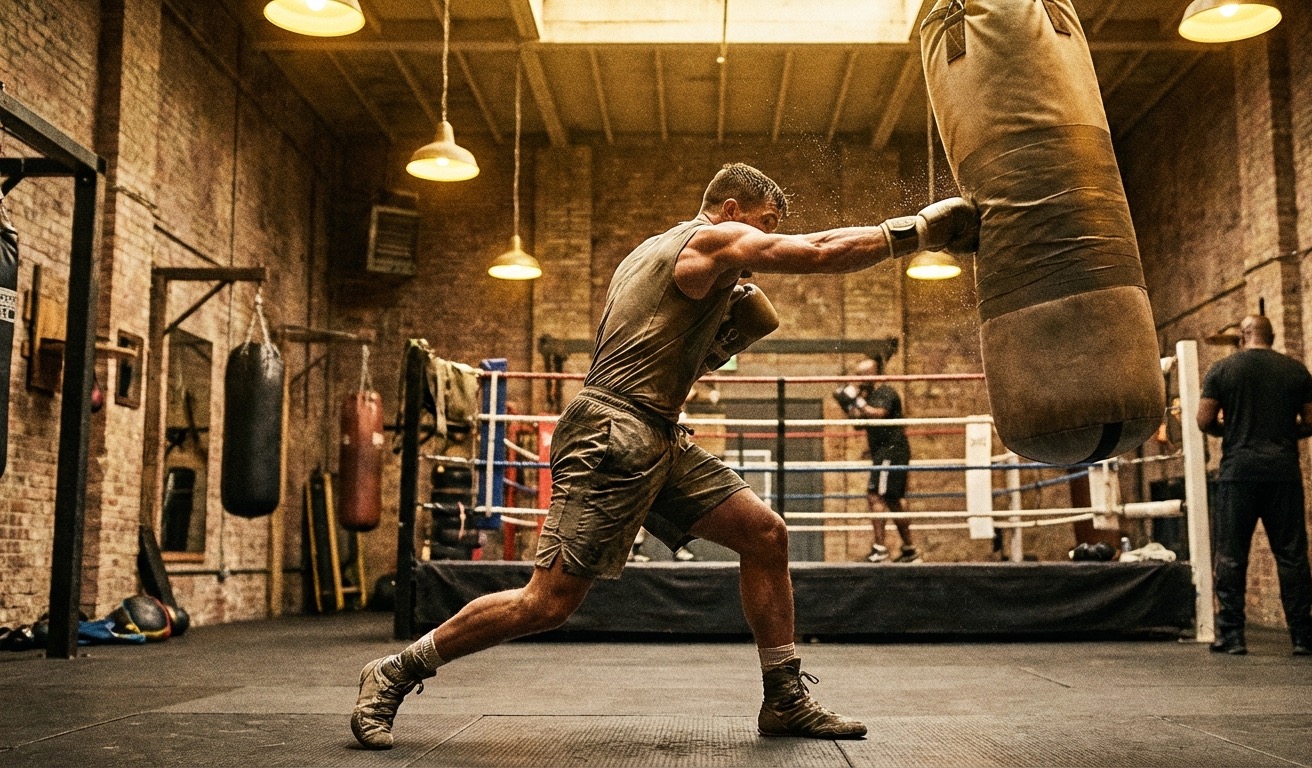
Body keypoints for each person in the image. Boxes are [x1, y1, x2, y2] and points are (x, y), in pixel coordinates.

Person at [351, 163, 979, 749]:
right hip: (611, 434)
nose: (757, 248)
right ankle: (395, 670)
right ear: (729, 210)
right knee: (548, 603)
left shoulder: (651, 258)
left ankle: (784, 698)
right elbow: (817, 252)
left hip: (657, 433)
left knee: (764, 534)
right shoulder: (707, 241)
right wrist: (918, 231)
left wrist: (720, 330)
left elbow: (666, 347)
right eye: (759, 228)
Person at [1196, 315, 1312, 656]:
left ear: (1243, 335)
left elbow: (1204, 420)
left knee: (1232, 555)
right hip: (1283, 472)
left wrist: (1234, 431)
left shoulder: (1222, 370)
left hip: (1239, 471)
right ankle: (1302, 637)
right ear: (1272, 334)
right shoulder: (1296, 371)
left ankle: (1233, 636)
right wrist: (1280, 433)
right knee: (1292, 555)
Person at [834, 357, 919, 562]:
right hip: (885, 453)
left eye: (863, 375)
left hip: (891, 452)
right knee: (892, 498)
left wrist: (858, 399)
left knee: (876, 495)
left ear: (875, 374)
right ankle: (909, 550)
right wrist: (848, 404)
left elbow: (878, 414)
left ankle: (880, 549)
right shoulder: (869, 395)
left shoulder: (886, 393)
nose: (860, 380)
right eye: (857, 375)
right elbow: (859, 424)